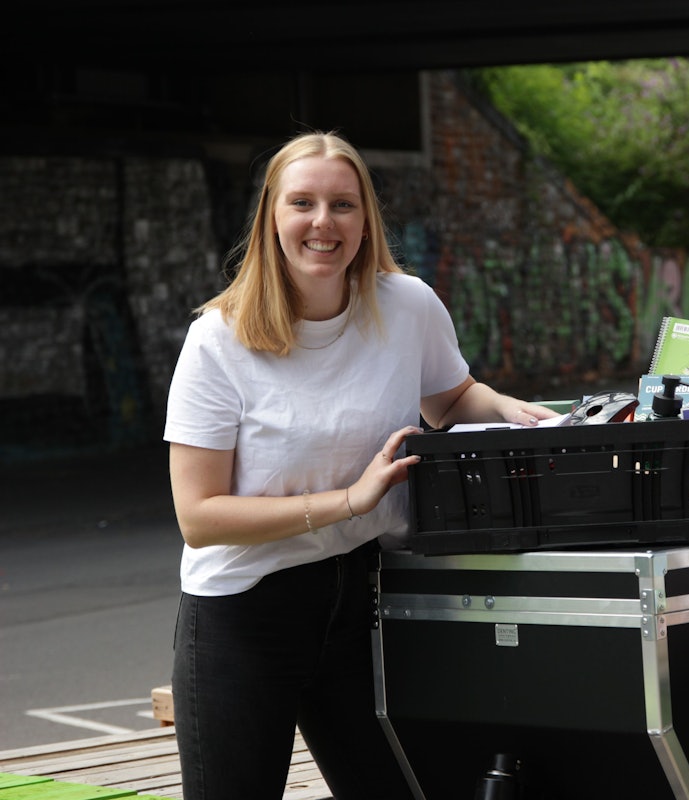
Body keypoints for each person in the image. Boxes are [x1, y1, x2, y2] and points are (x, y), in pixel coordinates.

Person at [163, 130, 558, 800]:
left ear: (367, 218)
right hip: (246, 613)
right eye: (303, 203)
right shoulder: (218, 341)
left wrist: (519, 414)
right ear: (271, 218)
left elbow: (452, 396)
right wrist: (352, 499)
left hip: (367, 597)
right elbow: (199, 518)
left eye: (343, 205)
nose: (324, 223)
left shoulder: (406, 305)